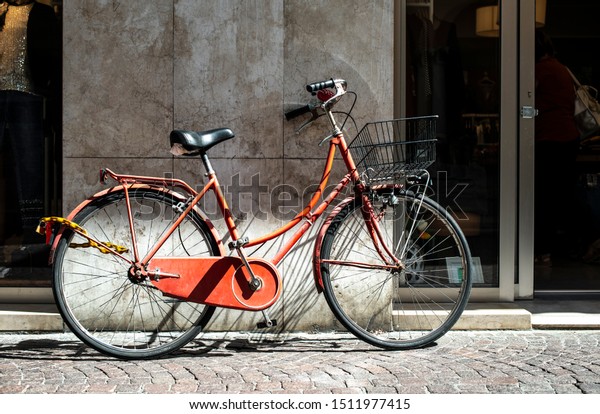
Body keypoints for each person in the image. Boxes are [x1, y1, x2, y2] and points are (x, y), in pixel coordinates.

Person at [0, 0, 60, 244]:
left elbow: (52, 56)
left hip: (28, 94)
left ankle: (33, 235)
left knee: (30, 165)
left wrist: (49, 90)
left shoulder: (42, 12)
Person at [534, 30, 580, 266]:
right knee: (562, 195)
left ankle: (542, 250)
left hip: (549, 138)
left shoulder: (539, 71)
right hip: (569, 137)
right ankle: (570, 246)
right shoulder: (561, 69)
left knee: (542, 196)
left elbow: (525, 100)